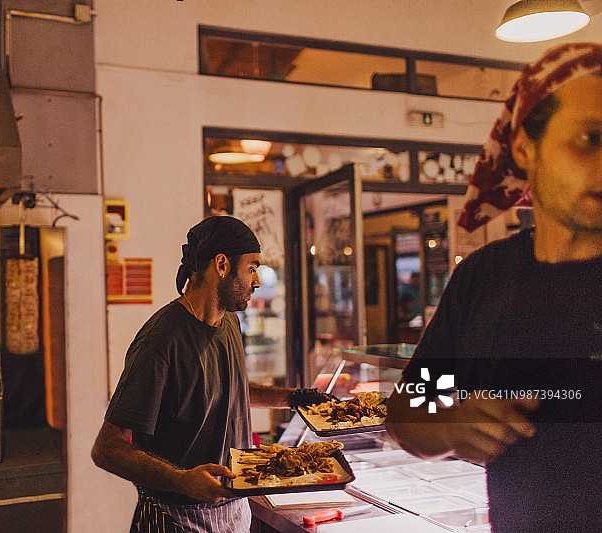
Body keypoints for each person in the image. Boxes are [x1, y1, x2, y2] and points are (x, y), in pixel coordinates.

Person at [385, 42, 602, 533]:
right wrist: (451, 424)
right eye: (589, 138)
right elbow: (407, 409)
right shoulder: (485, 278)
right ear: (525, 148)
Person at [92, 216, 329, 533]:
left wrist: (294, 399)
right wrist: (181, 479)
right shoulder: (161, 341)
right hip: (176, 519)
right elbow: (107, 448)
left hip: (233, 513)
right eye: (252, 268)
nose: (257, 281)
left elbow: (228, 389)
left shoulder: (229, 321)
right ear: (222, 265)